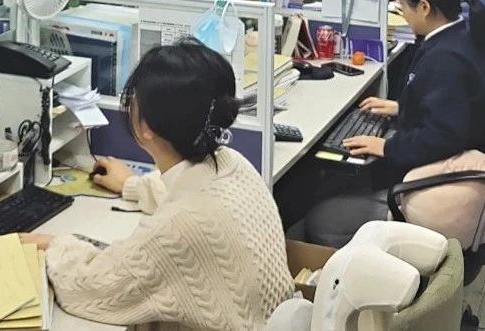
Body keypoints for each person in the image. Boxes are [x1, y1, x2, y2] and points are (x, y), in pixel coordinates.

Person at [21, 40, 294, 330]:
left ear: (146, 127)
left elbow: (91, 287)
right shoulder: (233, 164)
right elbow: (188, 194)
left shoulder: (176, 227)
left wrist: (55, 247)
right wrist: (132, 185)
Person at [342, 0, 485, 189]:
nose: (403, 15)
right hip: (457, 154)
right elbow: (451, 106)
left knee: (331, 187)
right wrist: (403, 108)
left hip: (443, 175)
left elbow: (443, 137)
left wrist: (386, 147)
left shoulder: (447, 58)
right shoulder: (459, 34)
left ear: (424, 8)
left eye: (404, 6)